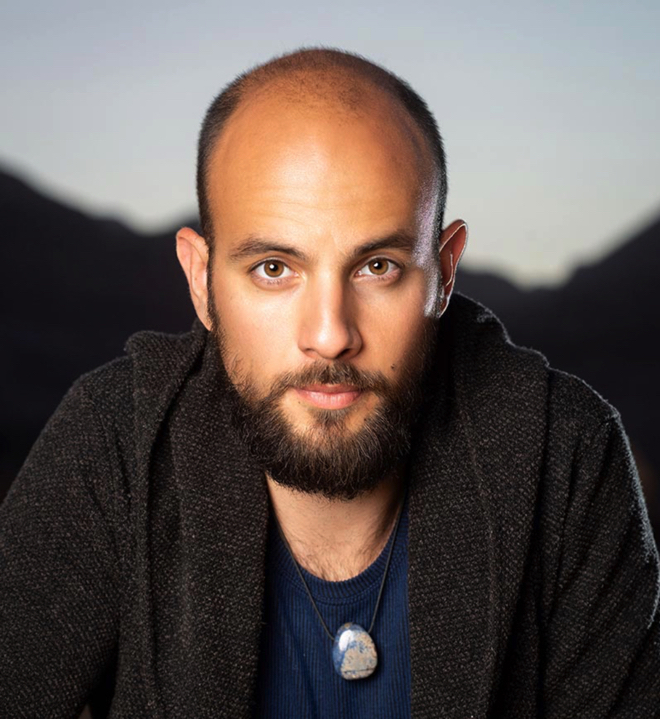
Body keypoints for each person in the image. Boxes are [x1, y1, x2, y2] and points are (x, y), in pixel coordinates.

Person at [1, 47, 658, 719]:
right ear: (201, 281)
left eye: (377, 266)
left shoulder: (565, 454)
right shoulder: (117, 444)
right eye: (274, 268)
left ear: (444, 273)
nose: (331, 333)